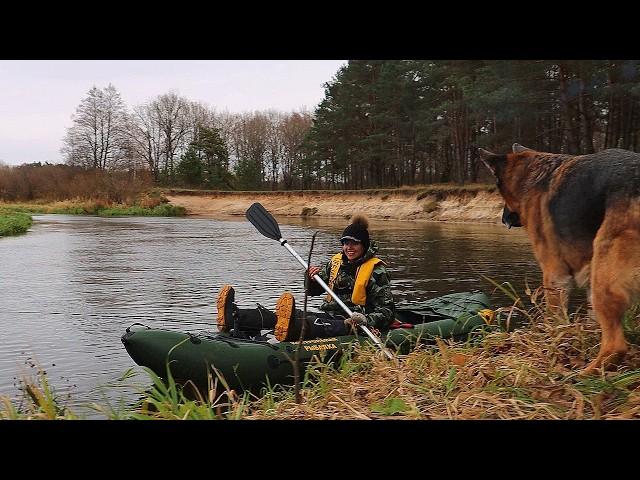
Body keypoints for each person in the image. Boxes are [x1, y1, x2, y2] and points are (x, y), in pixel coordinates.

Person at [216, 214, 395, 341]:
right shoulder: (336, 262)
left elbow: (387, 312)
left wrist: (365, 320)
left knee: (311, 322)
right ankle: (235, 316)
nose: (349, 247)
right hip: (331, 314)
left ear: (364, 244)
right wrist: (310, 278)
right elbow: (312, 291)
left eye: (354, 243)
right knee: (293, 315)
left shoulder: (376, 270)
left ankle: (291, 333)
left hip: (354, 321)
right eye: (345, 243)